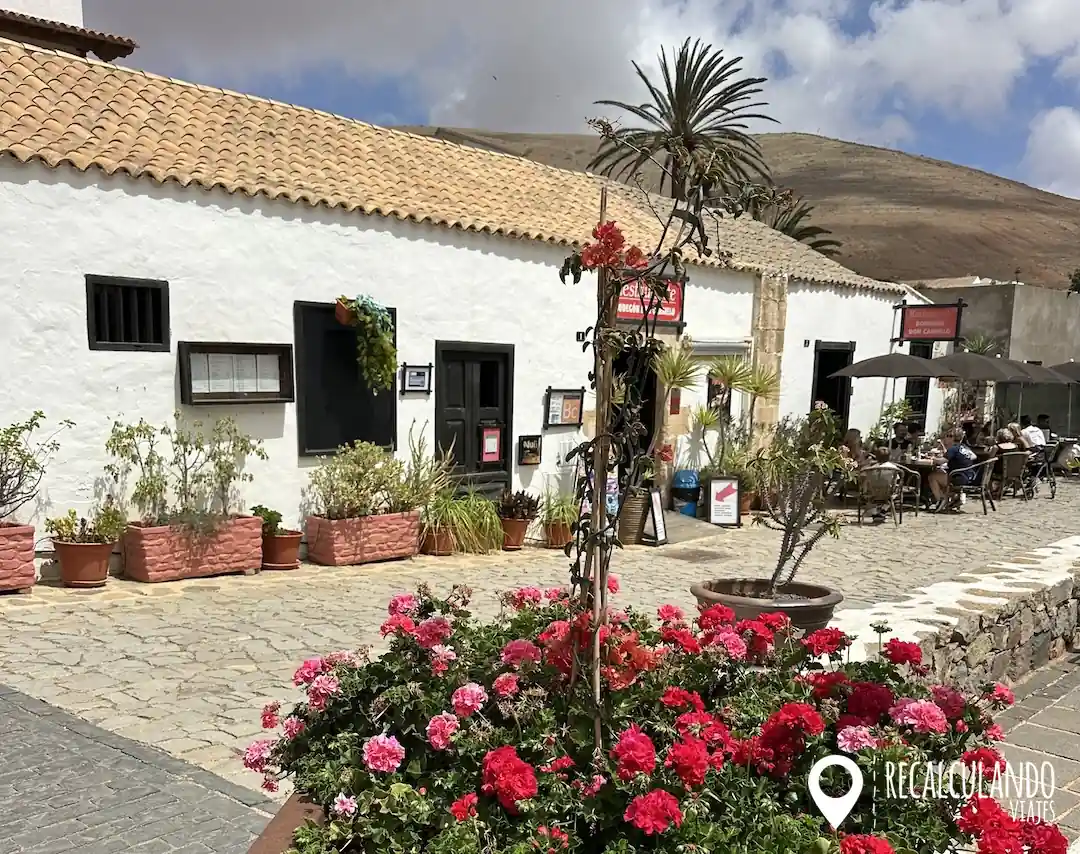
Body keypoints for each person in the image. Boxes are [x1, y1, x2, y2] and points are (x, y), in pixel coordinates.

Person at [926, 428, 978, 510]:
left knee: (932, 477)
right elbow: (974, 456)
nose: (946, 438)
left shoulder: (953, 449)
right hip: (969, 476)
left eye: (947, 436)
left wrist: (932, 458)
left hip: (958, 477)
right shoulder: (964, 447)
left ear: (952, 438)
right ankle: (953, 497)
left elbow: (940, 462)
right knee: (939, 472)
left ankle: (940, 499)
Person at [863, 446, 901, 523]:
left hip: (872, 493)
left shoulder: (870, 469)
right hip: (888, 493)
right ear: (890, 457)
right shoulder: (893, 468)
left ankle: (876, 511)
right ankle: (883, 509)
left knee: (871, 492)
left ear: (876, 457)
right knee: (894, 493)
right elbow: (896, 480)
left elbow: (867, 480)